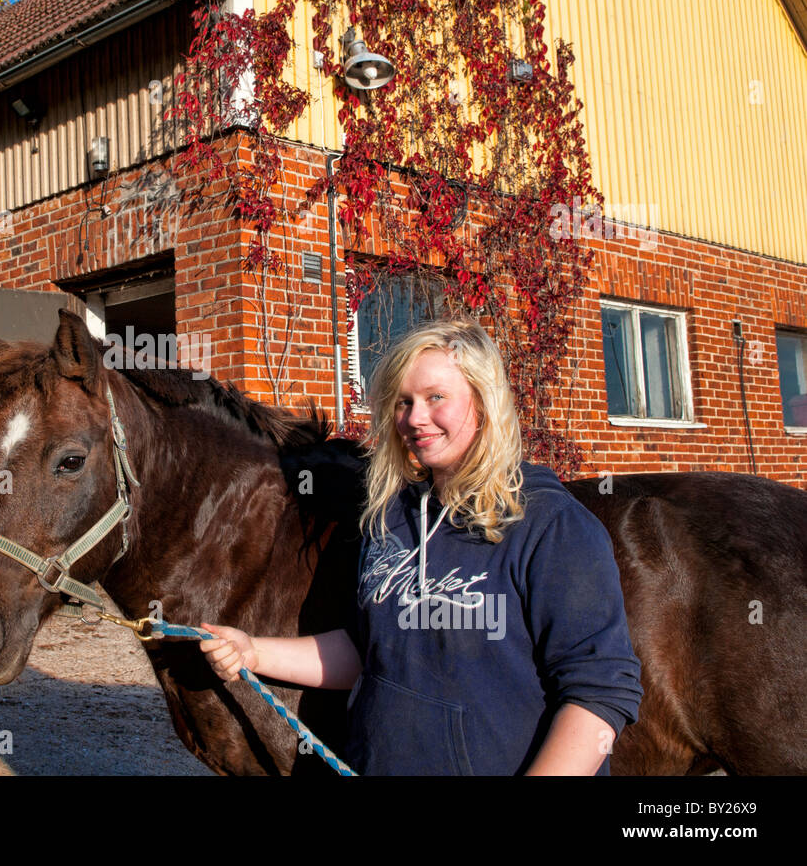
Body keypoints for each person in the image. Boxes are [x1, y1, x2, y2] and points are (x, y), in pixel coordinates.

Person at [200, 317, 643, 775]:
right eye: (403, 402)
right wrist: (254, 651)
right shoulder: (391, 518)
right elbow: (372, 650)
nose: (414, 418)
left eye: (436, 398)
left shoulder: (552, 524)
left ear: (484, 401)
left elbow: (599, 693)